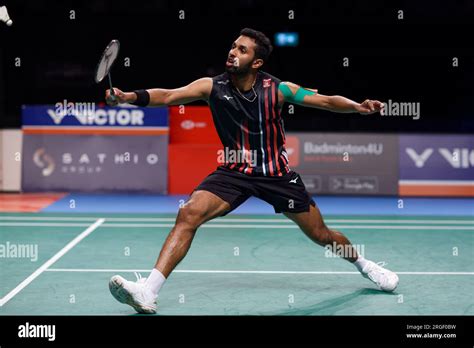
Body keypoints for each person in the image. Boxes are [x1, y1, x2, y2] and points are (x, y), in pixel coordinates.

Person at [106, 28, 398, 314]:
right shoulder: (212, 87)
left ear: (256, 63)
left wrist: (358, 107)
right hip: (234, 172)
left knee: (320, 234)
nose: (233, 52)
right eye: (233, 46)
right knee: (188, 214)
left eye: (242, 50)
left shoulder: (278, 89)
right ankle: (148, 291)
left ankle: (365, 265)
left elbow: (326, 101)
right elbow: (169, 96)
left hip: (277, 176)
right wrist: (129, 97)